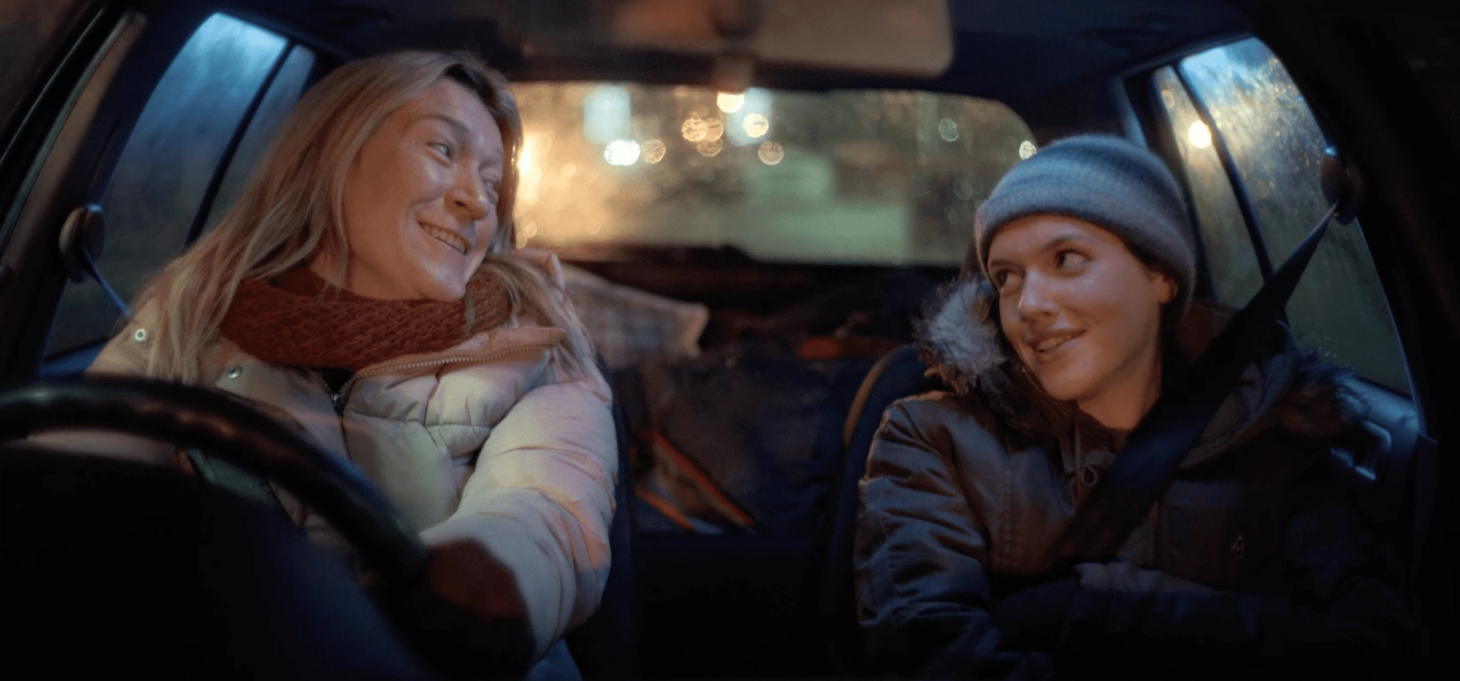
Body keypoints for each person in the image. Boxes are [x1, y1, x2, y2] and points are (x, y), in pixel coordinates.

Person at [52, 51, 615, 678]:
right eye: (442, 151)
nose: (477, 203)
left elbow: (547, 508)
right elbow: (61, 489)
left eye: (492, 184)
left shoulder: (536, 343)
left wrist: (478, 582)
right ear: (336, 152)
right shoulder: (188, 322)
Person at [853, 135, 1413, 678]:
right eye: (1006, 278)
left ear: (1162, 276)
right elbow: (924, 649)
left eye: (1067, 259)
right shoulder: (935, 438)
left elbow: (1374, 646)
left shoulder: (1276, 433)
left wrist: (1094, 604)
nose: (1029, 304)